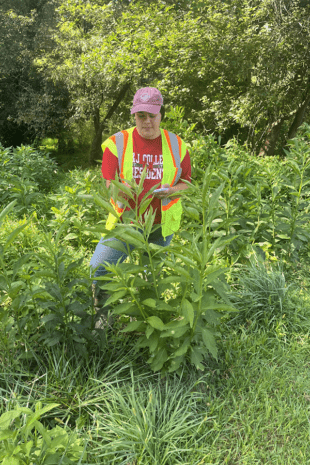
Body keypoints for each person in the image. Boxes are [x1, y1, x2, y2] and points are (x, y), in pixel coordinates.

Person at [89, 87, 191, 325]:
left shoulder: (176, 144)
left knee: (151, 276)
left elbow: (187, 183)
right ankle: (103, 316)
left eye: (152, 115)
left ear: (161, 115)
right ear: (134, 115)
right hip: (126, 223)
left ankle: (149, 321)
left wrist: (172, 190)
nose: (147, 121)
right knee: (99, 267)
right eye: (141, 115)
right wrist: (127, 193)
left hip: (159, 225)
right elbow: (108, 182)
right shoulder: (117, 142)